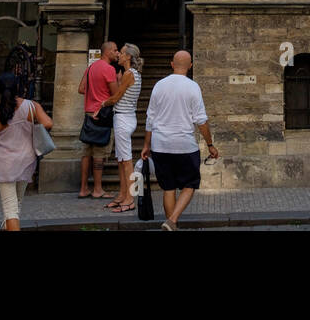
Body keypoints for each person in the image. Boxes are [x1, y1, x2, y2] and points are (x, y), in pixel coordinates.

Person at [141, 50, 217, 231]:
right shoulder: (193, 87)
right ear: (190, 66)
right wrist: (210, 144)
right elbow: (201, 121)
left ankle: (171, 225)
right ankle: (172, 220)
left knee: (168, 188)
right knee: (189, 185)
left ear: (172, 64)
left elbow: (150, 118)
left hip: (160, 145)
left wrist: (146, 145)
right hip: (185, 146)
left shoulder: (159, 85)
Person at [0, 72, 53, 230]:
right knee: (16, 205)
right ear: (18, 87)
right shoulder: (31, 106)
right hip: (26, 161)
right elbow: (48, 123)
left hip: (4, 164)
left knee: (10, 209)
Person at [103, 43, 143, 213]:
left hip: (124, 118)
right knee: (121, 160)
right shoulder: (130, 74)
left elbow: (116, 98)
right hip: (125, 117)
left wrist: (102, 104)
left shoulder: (129, 73)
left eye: (122, 53)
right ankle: (122, 195)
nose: (118, 54)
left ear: (128, 57)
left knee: (126, 161)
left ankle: (130, 199)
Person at [77, 41, 118, 199]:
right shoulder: (109, 69)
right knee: (99, 153)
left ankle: (83, 188)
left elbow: (81, 89)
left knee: (86, 153)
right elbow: (115, 95)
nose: (116, 53)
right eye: (114, 50)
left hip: (88, 114)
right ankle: (98, 189)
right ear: (107, 52)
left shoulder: (91, 68)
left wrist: (93, 92)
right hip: (101, 114)